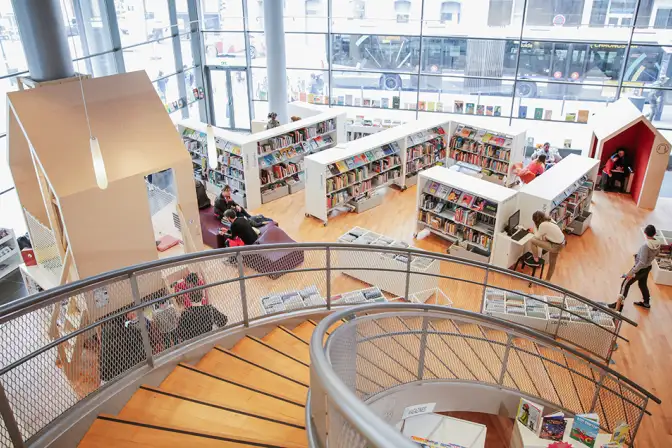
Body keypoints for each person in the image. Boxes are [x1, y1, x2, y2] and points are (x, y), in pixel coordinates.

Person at [609, 224, 661, 311]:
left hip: (639, 269)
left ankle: (618, 305)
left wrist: (632, 272)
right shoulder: (658, 243)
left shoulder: (646, 246)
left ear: (645, 233)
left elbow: (642, 262)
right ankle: (646, 303)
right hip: (648, 267)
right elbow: (656, 254)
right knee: (642, 284)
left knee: (625, 283)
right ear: (655, 233)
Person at [530, 211, 565, 282]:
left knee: (532, 240)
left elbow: (536, 237)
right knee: (552, 263)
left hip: (554, 245)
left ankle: (536, 259)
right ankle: (547, 280)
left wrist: (534, 227)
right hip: (561, 243)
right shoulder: (550, 220)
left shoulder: (543, 225)